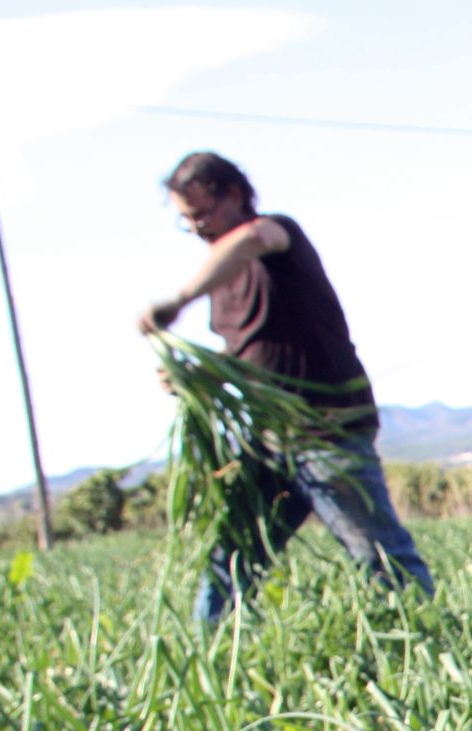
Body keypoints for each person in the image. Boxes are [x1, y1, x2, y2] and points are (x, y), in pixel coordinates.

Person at [138, 152, 434, 622]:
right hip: (269, 442)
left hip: (326, 431)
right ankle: (210, 663)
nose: (196, 228)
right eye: (186, 221)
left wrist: (177, 301)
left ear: (234, 195)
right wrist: (194, 377)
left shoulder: (276, 234)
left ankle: (428, 639)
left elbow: (251, 239)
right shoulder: (222, 284)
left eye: (201, 214)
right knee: (231, 563)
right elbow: (249, 359)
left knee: (380, 556)